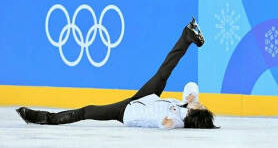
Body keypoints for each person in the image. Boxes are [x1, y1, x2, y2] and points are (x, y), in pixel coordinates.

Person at [16, 18, 218, 129]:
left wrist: (166, 123)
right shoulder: (185, 108)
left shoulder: (177, 118)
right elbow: (191, 87)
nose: (198, 102)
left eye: (199, 105)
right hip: (147, 99)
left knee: (87, 111)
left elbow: (167, 122)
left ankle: (44, 118)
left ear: (193, 113)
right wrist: (191, 95)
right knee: (164, 72)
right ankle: (187, 35)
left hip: (128, 112)